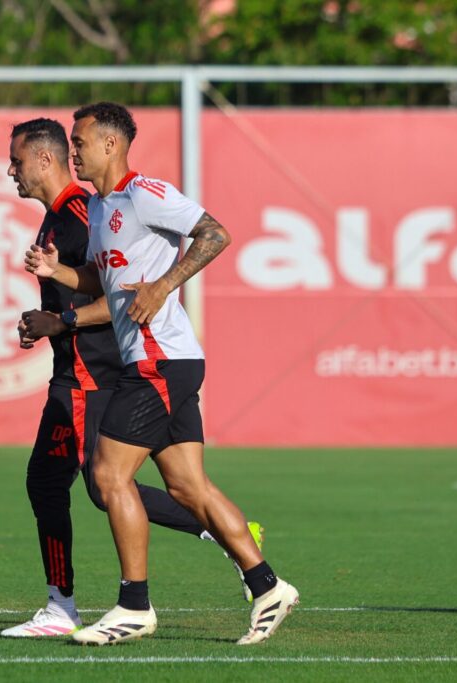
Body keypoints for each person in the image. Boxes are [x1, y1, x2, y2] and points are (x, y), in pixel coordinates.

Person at [25, 103, 298, 646]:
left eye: (78, 142)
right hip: (162, 360)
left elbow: (215, 234)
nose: (71, 151)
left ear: (109, 144)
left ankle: (134, 605)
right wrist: (58, 273)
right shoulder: (101, 210)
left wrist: (166, 284)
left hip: (159, 360)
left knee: (107, 476)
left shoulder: (144, 193)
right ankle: (268, 587)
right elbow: (104, 282)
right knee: (188, 486)